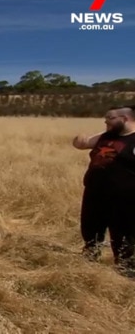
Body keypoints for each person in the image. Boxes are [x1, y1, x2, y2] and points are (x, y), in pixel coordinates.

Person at [72, 105, 135, 277]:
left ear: (124, 119)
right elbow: (81, 144)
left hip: (124, 199)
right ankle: (90, 259)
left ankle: (125, 271)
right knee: (90, 229)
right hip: (94, 193)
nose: (105, 121)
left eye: (110, 118)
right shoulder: (105, 137)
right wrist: (81, 138)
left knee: (123, 235)